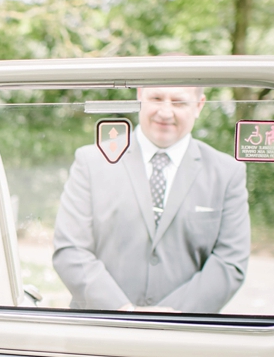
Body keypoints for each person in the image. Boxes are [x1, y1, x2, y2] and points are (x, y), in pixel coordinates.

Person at [53, 87, 250, 312]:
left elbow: (230, 262)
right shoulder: (91, 161)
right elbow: (70, 249)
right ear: (139, 96)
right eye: (156, 98)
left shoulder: (226, 173)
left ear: (199, 105)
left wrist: (171, 315)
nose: (165, 112)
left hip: (186, 336)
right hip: (99, 330)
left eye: (178, 102)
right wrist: (122, 310)